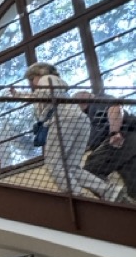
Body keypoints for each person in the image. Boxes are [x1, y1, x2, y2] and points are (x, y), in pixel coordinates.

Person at [26, 68, 112, 200]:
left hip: (64, 122)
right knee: (71, 167)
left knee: (53, 164)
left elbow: (48, 94)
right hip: (80, 121)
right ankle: (108, 191)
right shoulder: (59, 85)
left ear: (39, 73)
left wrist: (24, 96)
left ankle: (77, 196)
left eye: (32, 79)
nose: (32, 83)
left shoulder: (46, 79)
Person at [74, 91, 136, 203]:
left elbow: (115, 107)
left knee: (87, 172)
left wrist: (114, 133)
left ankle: (116, 197)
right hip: (124, 150)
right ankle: (127, 204)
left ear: (81, 103)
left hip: (121, 141)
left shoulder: (96, 102)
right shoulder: (90, 118)